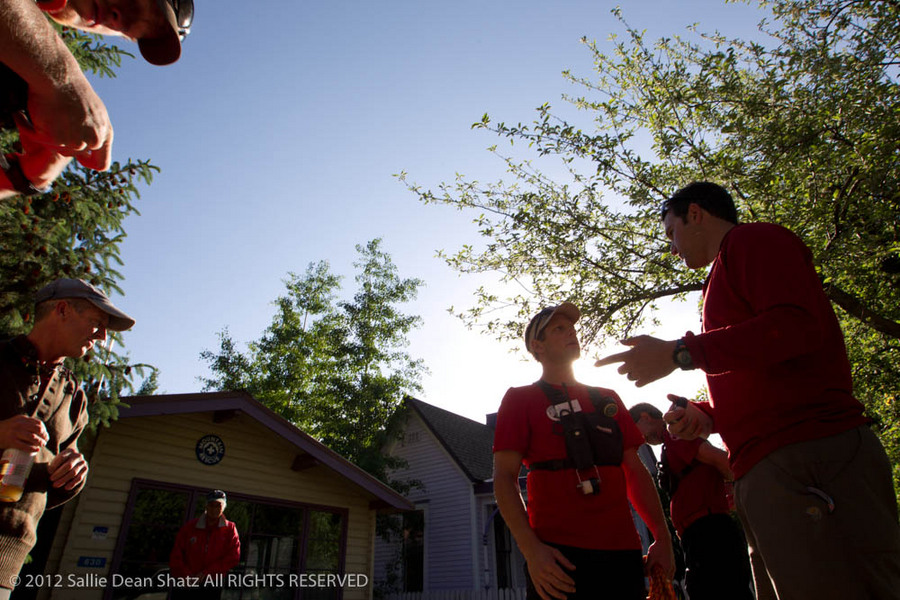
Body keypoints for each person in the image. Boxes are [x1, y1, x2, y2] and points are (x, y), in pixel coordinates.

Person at [596, 181, 900, 599]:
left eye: (672, 232)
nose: (672, 248)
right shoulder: (717, 281)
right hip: (768, 469)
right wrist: (708, 415)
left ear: (697, 214)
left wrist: (682, 353)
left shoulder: (752, 240)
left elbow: (797, 327)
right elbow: (765, 370)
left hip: (807, 453)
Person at [493, 302, 674, 600]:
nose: (571, 333)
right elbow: (503, 478)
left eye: (573, 328)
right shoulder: (519, 399)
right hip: (558, 559)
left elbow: (635, 472)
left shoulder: (607, 398)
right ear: (537, 346)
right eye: (559, 329)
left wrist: (663, 538)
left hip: (622, 555)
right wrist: (531, 550)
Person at [0, 277, 135, 598]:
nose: (102, 336)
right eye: (97, 323)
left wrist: (72, 474)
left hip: (6, 559)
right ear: (62, 309)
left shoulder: (75, 396)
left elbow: (57, 477)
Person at [0, 0, 193, 198]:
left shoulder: (20, 73)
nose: (115, 21)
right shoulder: (38, 69)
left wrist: (23, 177)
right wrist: (62, 78)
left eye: (129, 31)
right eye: (133, 3)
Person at [629, 402, 753, 600]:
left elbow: (717, 458)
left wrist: (748, 487)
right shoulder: (670, 445)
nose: (641, 439)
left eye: (637, 432)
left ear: (645, 417)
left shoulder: (675, 436)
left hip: (708, 531)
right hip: (702, 531)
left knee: (714, 590)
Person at [169, 489, 241, 600]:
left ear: (224, 507)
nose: (214, 509)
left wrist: (207, 573)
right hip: (185, 583)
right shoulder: (189, 527)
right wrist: (185, 575)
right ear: (206, 507)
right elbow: (176, 555)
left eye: (218, 505)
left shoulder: (230, 529)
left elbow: (233, 557)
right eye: (211, 505)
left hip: (211, 584)